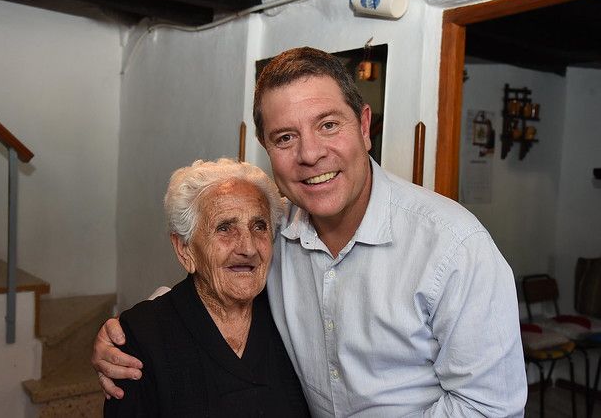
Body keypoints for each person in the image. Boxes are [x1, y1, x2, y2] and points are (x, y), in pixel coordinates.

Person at [93, 47, 527, 416]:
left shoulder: (453, 248)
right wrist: (130, 334)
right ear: (267, 150)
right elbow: (214, 269)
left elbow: (489, 408)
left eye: (328, 124)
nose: (311, 154)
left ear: (363, 125)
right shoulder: (276, 233)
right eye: (285, 137)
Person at [104, 158, 310, 417]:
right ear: (184, 249)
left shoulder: (290, 315)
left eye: (259, 226)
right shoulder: (142, 336)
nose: (248, 248)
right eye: (225, 228)